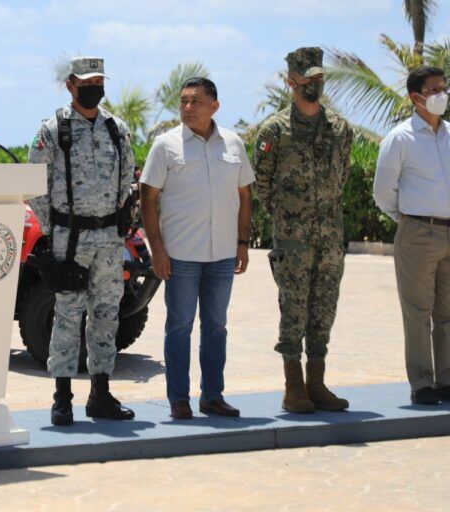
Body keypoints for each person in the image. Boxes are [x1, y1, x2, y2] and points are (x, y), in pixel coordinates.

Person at [28, 56, 136, 426]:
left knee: (107, 316)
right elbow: (34, 185)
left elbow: (126, 181)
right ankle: (62, 398)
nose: (94, 88)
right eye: (87, 82)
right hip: (69, 239)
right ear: (71, 85)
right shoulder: (54, 129)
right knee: (68, 315)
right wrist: (52, 227)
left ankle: (100, 395)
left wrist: (119, 225)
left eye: (99, 82)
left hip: (109, 238)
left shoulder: (116, 128)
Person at [140, 77, 254, 419]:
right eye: (184, 102)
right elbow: (148, 199)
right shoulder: (165, 145)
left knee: (216, 327)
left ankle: (212, 397)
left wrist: (243, 243)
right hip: (180, 256)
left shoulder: (233, 144)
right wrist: (157, 249)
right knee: (179, 326)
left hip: (222, 255)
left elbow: (245, 195)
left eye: (196, 101)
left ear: (214, 106)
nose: (188, 108)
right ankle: (178, 399)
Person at [252, 47, 353, 414]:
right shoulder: (274, 130)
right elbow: (262, 183)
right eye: (306, 79)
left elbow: (342, 176)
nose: (313, 85)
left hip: (329, 236)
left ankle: (317, 382)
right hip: (292, 238)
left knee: (324, 310)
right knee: (293, 309)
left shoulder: (340, 128)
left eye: (318, 78)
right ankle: (293, 386)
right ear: (290, 81)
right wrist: (288, 218)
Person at [373, 66, 450, 405]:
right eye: (434, 90)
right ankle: (422, 383)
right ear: (416, 97)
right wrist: (408, 219)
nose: (441, 95)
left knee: (447, 312)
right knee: (417, 311)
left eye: (444, 88)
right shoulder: (400, 138)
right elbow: (382, 191)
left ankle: (447, 379)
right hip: (418, 231)